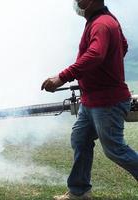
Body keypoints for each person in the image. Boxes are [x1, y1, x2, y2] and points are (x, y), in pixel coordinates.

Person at [41, 0, 138, 199]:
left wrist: (62, 77)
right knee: (80, 139)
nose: (76, 2)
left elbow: (94, 55)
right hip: (92, 99)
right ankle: (79, 192)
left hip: (107, 101)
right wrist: (107, 67)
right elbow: (123, 46)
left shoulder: (101, 23)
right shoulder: (101, 20)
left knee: (114, 150)